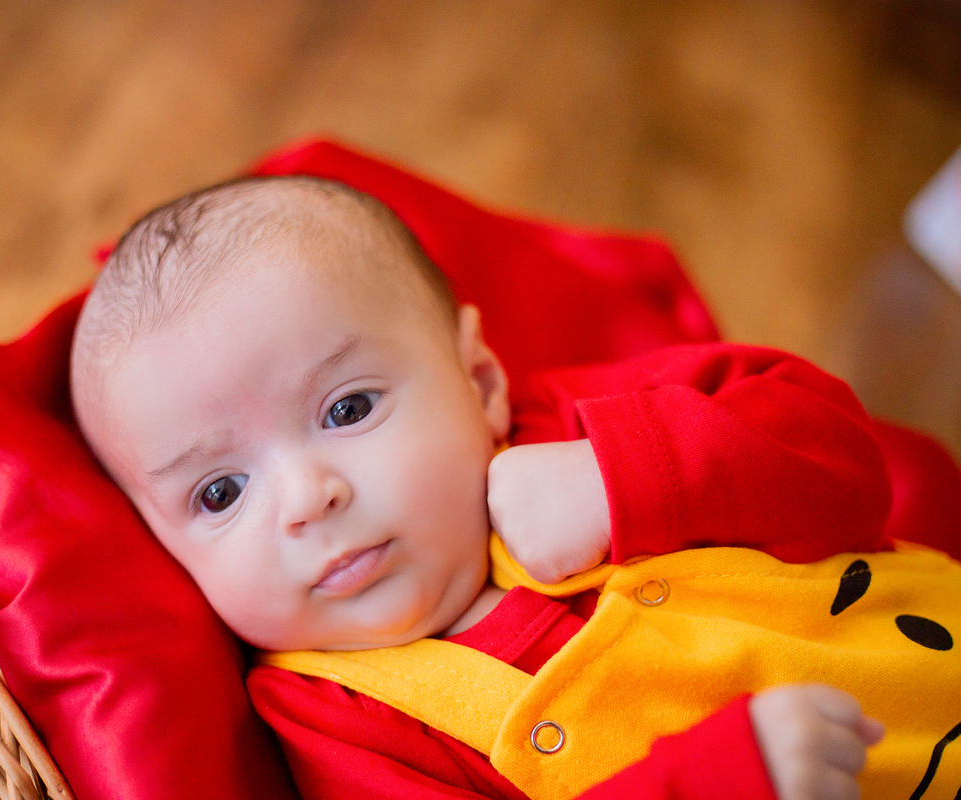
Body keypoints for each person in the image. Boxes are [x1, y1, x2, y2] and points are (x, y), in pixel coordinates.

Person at [69, 175, 961, 800]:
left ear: (482, 379)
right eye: (219, 495)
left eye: (347, 408)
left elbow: (851, 465)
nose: (306, 498)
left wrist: (627, 477)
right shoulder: (336, 720)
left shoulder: (578, 420)